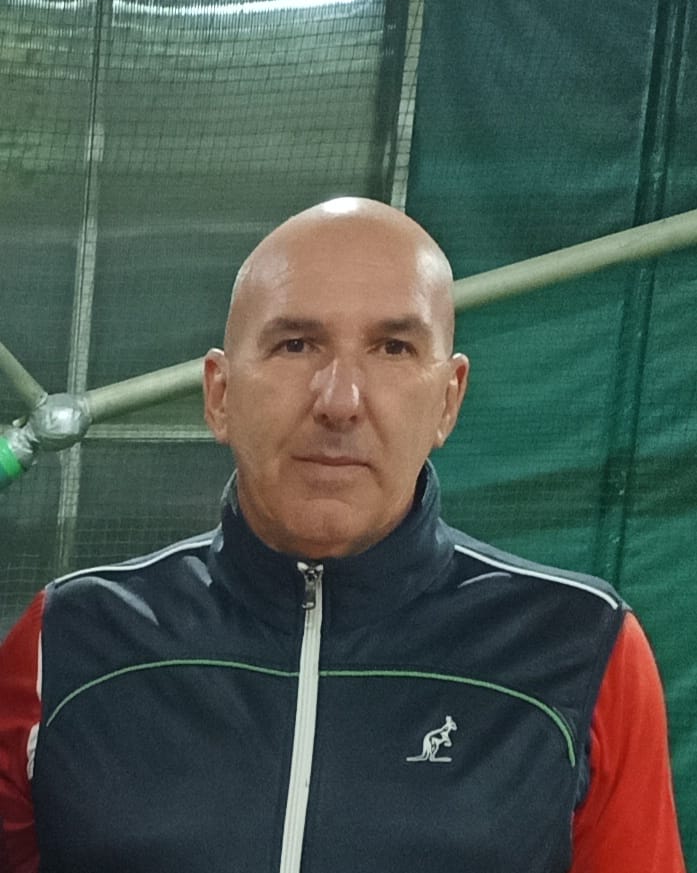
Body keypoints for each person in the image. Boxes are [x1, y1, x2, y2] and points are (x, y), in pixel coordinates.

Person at [0, 197, 686, 873]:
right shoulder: (67, 640)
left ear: (448, 400)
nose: (339, 401)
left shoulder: (580, 649)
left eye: (393, 348)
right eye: (296, 344)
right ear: (219, 394)